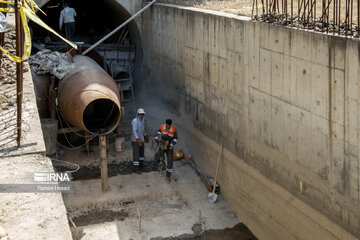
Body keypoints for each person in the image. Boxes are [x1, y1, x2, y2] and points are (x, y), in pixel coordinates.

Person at [154, 119, 178, 183]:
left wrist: (172, 144)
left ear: (171, 125)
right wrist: (156, 138)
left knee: (170, 160)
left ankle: (168, 176)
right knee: (158, 155)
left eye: (169, 126)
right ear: (166, 124)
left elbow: (176, 138)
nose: (168, 127)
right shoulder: (162, 127)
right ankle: (160, 164)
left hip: (169, 146)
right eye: (167, 126)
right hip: (162, 144)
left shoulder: (173, 129)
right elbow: (158, 133)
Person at [131, 108, 149, 174]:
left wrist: (145, 135)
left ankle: (141, 163)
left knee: (141, 152)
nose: (142, 115)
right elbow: (134, 131)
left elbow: (142, 130)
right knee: (136, 154)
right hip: (135, 140)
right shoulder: (135, 121)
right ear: (138, 114)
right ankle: (135, 168)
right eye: (141, 114)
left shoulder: (142, 120)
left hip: (141, 139)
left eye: (143, 114)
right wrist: (137, 139)